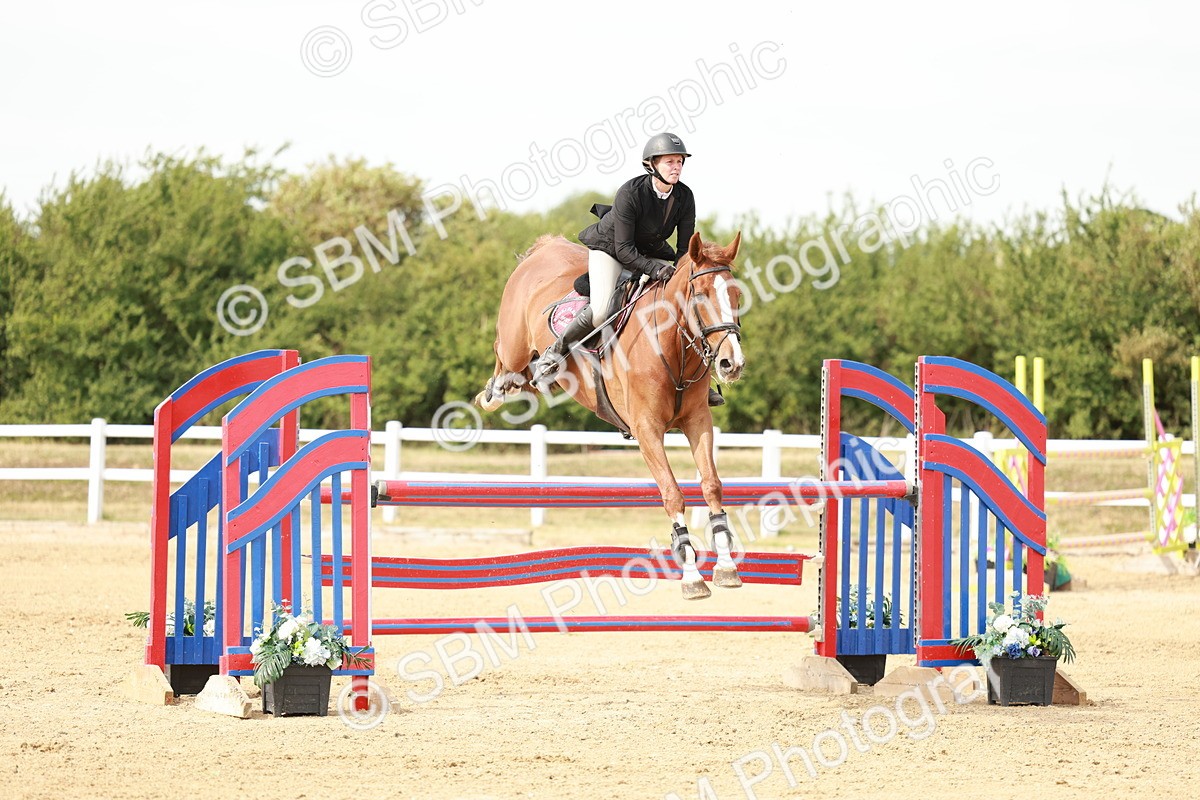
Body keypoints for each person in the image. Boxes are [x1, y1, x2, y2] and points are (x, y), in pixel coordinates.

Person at [530, 132, 725, 407]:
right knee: (600, 312)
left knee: (685, 302)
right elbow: (623, 250)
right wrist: (657, 272)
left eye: (680, 162)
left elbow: (684, 250)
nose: (676, 167)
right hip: (610, 249)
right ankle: (554, 353)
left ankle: (698, 380)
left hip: (647, 252)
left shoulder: (684, 196)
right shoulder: (631, 193)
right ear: (652, 164)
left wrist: (681, 274)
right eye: (670, 161)